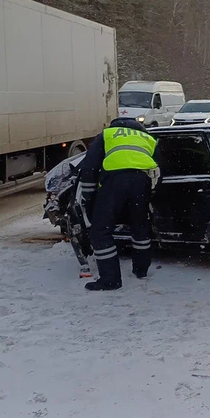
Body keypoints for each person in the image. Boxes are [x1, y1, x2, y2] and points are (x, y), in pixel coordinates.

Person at [77, 117, 160, 291]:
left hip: (115, 182)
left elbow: (90, 167)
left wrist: (89, 196)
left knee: (100, 231)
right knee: (140, 226)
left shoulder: (108, 134)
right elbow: (160, 167)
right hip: (142, 182)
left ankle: (110, 280)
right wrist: (151, 192)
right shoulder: (147, 137)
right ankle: (141, 270)